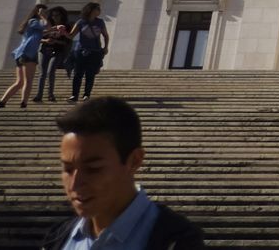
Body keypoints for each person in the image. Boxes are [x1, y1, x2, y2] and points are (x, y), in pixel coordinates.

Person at [41, 96, 205, 249]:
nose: (75, 184)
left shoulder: (177, 240)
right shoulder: (58, 238)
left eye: (93, 169)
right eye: (68, 169)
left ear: (134, 161)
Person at [0, 2, 47, 108]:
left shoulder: (32, 24)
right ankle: (24, 103)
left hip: (21, 53)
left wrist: (48, 37)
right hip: (29, 53)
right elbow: (45, 25)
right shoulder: (34, 21)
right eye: (45, 12)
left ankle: (2, 102)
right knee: (28, 81)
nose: (46, 14)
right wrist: (42, 15)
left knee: (20, 82)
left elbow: (37, 36)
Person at [67, 3, 109, 103]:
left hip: (95, 51)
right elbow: (71, 36)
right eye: (97, 9)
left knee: (90, 74)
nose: (99, 11)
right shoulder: (81, 22)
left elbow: (106, 35)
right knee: (78, 74)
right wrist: (62, 32)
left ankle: (86, 94)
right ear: (91, 10)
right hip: (81, 51)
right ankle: (74, 95)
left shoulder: (100, 22)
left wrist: (105, 47)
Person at [37, 6, 73, 103]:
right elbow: (37, 37)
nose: (55, 17)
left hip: (57, 51)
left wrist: (56, 41)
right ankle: (39, 95)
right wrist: (46, 40)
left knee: (51, 71)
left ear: (62, 16)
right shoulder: (48, 25)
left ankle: (50, 95)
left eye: (57, 15)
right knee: (42, 73)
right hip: (44, 50)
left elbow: (67, 41)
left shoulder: (67, 26)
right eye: (53, 15)